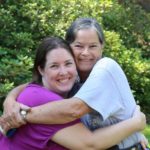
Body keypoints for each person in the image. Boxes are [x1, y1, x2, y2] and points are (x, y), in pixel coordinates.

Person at [1, 18, 148, 149]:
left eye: (93, 46)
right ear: (68, 47)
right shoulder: (71, 82)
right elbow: (34, 87)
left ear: (102, 47)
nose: (85, 52)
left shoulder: (105, 68)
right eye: (79, 46)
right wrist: (10, 99)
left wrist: (24, 115)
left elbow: (73, 110)